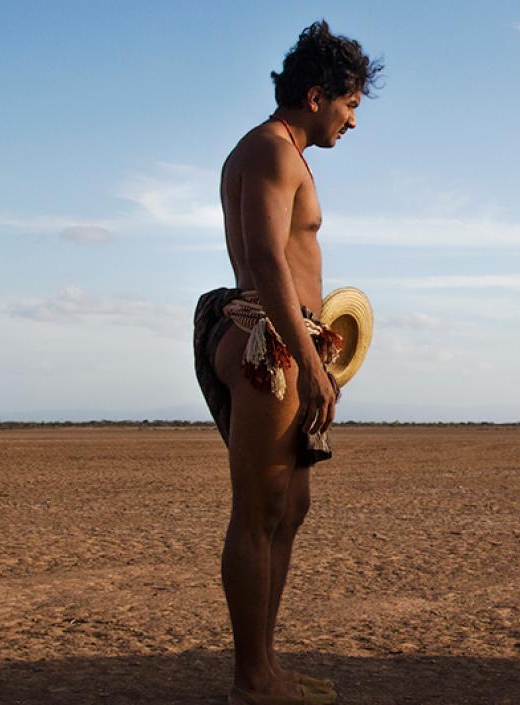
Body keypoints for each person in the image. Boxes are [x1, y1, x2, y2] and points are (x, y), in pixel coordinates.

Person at [192, 20, 381, 705]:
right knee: (259, 509)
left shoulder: (281, 152)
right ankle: (252, 678)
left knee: (289, 506)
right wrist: (306, 357)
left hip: (289, 340)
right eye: (350, 104)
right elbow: (269, 258)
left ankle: (265, 666)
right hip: (268, 345)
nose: (353, 121)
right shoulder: (272, 151)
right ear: (315, 93)